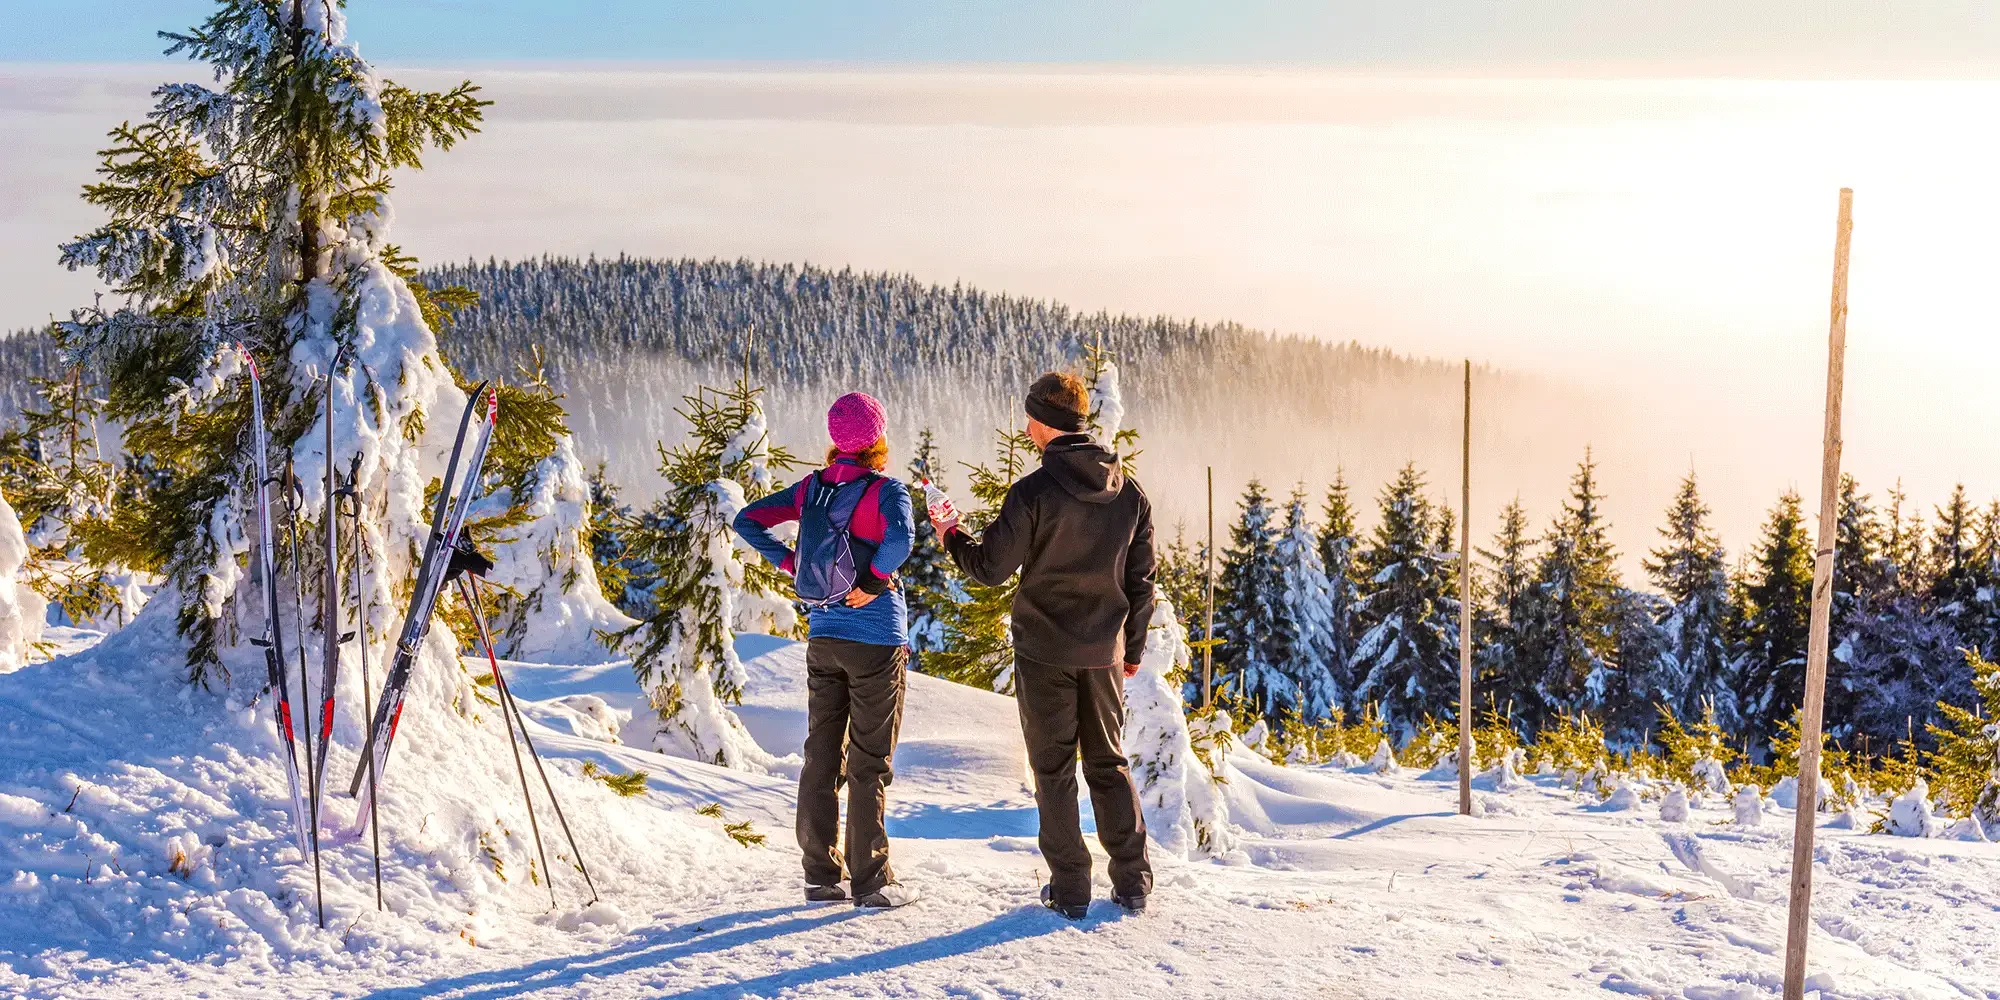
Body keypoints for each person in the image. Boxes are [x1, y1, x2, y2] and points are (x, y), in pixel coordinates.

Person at [931, 371, 1155, 919]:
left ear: (1039, 421)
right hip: (1103, 651)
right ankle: (1133, 882)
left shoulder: (1033, 492)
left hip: (1044, 650)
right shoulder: (1128, 492)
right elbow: (1141, 579)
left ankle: (1071, 888)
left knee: (1053, 769)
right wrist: (1132, 649)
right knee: (1109, 764)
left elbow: (988, 569)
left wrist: (950, 534)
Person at [733, 392, 919, 909]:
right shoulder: (887, 491)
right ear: (877, 440)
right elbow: (900, 543)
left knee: (820, 752)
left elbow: (747, 520)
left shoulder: (812, 487)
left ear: (836, 440)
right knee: (869, 759)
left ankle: (820, 874)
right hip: (876, 639)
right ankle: (872, 880)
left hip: (823, 636)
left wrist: (790, 564)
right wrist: (876, 580)